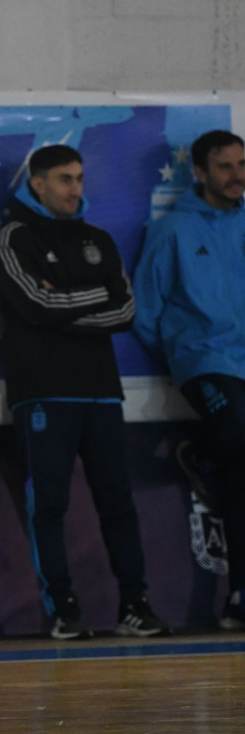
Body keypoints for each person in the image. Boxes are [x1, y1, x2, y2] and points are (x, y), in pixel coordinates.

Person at [0, 144, 170, 640]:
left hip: (102, 391)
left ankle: (135, 605)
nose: (76, 189)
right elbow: (34, 304)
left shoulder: (98, 239)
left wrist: (62, 308)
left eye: (79, 178)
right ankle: (64, 610)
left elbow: (125, 310)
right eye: (65, 179)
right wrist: (88, 301)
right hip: (43, 392)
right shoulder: (15, 237)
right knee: (48, 504)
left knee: (118, 502)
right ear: (38, 184)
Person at [132, 129, 245, 630]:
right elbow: (145, 311)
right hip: (205, 361)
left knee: (239, 460)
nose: (237, 175)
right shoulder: (173, 229)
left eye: (242, 164)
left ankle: (238, 597)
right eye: (225, 166)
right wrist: (183, 354)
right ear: (199, 172)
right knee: (239, 439)